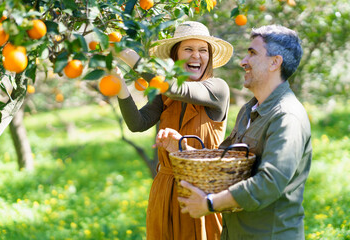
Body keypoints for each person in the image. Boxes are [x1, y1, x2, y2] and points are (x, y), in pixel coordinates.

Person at [155, 24, 312, 239]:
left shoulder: (287, 117)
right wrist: (183, 146)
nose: (243, 62)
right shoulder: (248, 110)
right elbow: (224, 164)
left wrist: (210, 203)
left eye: (252, 53)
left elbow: (269, 183)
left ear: (275, 62)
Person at [115, 21, 233, 239]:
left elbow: (176, 88)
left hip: (201, 192)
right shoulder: (165, 95)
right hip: (165, 188)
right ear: (175, 57)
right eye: (188, 49)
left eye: (202, 50)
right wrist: (120, 88)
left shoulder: (218, 88)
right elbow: (137, 123)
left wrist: (131, 58)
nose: (196, 56)